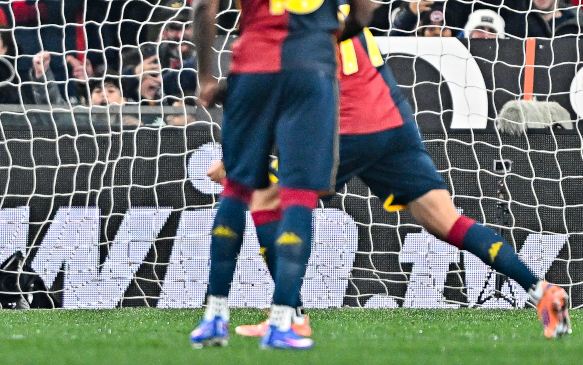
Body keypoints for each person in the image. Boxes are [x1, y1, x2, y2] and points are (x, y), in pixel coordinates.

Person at [218, 19, 570, 340]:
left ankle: (289, 315)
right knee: (446, 221)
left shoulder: (291, 20)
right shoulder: (340, 9)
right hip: (395, 125)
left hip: (349, 127)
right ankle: (543, 293)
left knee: (266, 196)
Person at [188, 0, 374, 350]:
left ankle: (214, 316)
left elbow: (206, 4)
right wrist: (324, 38)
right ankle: (283, 320)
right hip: (312, 72)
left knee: (237, 186)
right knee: (297, 193)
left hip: (253, 67)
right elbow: (363, 10)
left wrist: (207, 76)